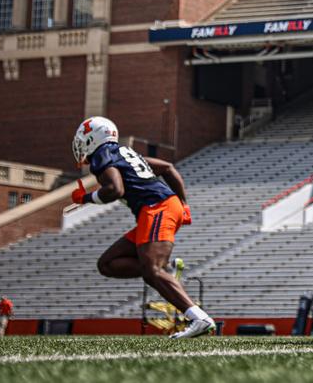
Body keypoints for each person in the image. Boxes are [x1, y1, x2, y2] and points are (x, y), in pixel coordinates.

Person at [70, 116, 214, 339]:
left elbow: (114, 189)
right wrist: (183, 203)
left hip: (157, 207)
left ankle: (199, 318)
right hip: (161, 207)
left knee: (151, 271)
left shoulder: (102, 155)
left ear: (92, 138)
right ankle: (164, 271)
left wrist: (86, 198)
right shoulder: (127, 152)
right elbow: (167, 168)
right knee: (108, 264)